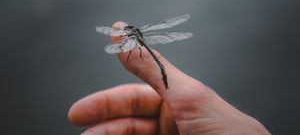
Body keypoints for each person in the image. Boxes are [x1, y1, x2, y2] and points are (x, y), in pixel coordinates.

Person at [68, 22, 271, 135]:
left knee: (134, 53)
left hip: (141, 53)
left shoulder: (130, 39)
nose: (129, 32)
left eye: (129, 31)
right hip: (143, 50)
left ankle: (161, 74)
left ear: (130, 33)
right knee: (138, 52)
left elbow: (127, 47)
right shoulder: (135, 36)